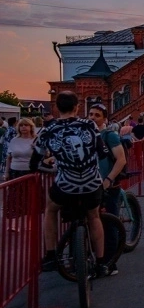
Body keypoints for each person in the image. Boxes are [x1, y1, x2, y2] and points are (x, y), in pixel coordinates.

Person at [32, 91, 110, 277]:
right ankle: (100, 263)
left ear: (56, 108)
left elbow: (35, 162)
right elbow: (103, 153)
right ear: (77, 107)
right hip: (91, 184)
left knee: (50, 209)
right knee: (93, 217)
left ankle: (50, 255)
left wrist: (54, 165)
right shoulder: (89, 124)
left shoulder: (48, 129)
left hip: (65, 186)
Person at [88, 104, 126, 276]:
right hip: (89, 186)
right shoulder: (86, 135)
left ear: (104, 118)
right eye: (90, 114)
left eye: (97, 115)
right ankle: (87, 261)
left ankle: (110, 262)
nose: (93, 117)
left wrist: (109, 179)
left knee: (109, 223)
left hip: (108, 186)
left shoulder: (109, 136)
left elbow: (121, 160)